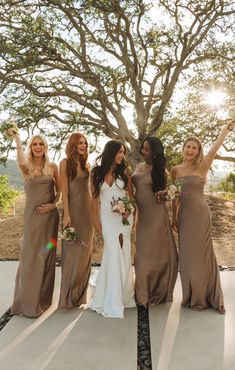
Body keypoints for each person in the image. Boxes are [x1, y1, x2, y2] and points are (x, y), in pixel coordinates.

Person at [171, 121, 234, 314]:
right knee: (188, 256)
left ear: (198, 151)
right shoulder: (175, 170)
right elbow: (175, 198)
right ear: (183, 149)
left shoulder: (202, 167)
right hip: (184, 216)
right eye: (188, 147)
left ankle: (206, 296)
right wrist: (174, 218)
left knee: (203, 255)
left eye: (194, 148)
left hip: (200, 215)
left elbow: (214, 149)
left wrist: (225, 131)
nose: (190, 150)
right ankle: (190, 296)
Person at [8, 128, 60, 317]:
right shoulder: (26, 168)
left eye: (41, 144)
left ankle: (42, 299)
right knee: (30, 256)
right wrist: (17, 138)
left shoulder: (53, 167)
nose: (38, 147)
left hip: (49, 219)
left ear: (46, 147)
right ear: (31, 147)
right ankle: (25, 301)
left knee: (45, 255)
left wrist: (52, 206)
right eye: (35, 144)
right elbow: (21, 158)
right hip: (32, 218)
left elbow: (60, 193)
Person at [89, 140, 135, 318]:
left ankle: (121, 297)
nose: (121, 155)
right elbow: (94, 200)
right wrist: (95, 222)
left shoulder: (125, 174)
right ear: (110, 152)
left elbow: (131, 198)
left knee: (123, 253)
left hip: (124, 219)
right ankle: (109, 298)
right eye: (119, 152)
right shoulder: (96, 172)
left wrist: (129, 211)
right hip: (106, 218)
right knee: (112, 251)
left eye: (123, 152)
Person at [132, 137, 178, 307]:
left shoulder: (161, 171)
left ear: (155, 152)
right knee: (142, 253)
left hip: (156, 216)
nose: (143, 151)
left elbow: (163, 195)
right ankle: (143, 291)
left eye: (147, 149)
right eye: (143, 148)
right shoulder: (137, 167)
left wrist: (164, 195)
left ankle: (157, 290)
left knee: (157, 254)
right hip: (142, 216)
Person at [58, 133, 94, 308]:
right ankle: (67, 298)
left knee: (84, 255)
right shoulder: (64, 163)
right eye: (80, 143)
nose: (84, 145)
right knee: (72, 254)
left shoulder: (87, 164)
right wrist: (66, 214)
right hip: (73, 213)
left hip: (87, 215)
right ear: (73, 144)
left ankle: (80, 297)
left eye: (85, 143)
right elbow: (64, 192)